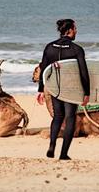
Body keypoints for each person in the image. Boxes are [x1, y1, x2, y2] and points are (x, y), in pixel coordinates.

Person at [36, 19, 90, 161]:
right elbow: (83, 72)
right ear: (70, 30)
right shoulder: (76, 49)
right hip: (71, 88)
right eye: (75, 28)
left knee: (58, 117)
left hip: (56, 87)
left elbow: (43, 70)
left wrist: (41, 89)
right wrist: (87, 92)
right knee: (70, 117)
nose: (76, 31)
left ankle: (52, 146)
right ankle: (63, 153)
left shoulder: (49, 47)